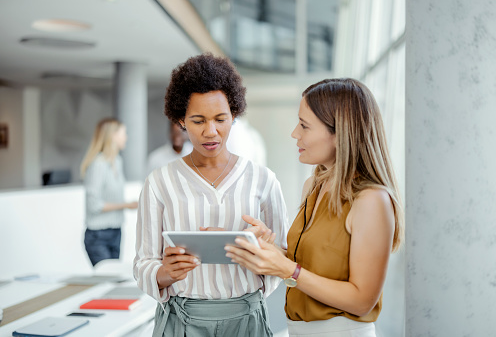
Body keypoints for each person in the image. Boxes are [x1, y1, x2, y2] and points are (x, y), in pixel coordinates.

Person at [225, 78, 404, 337]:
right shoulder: (314, 185)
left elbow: (362, 300)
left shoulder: (371, 199)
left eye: (304, 126)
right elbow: (311, 267)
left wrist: (287, 269)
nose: (295, 133)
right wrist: (269, 250)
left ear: (340, 133)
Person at [133, 53, 289, 337]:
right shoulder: (159, 182)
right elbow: (143, 261)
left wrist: (262, 249)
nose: (211, 132)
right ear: (181, 120)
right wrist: (165, 273)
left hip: (247, 320)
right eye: (197, 120)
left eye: (221, 119)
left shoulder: (263, 180)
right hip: (181, 321)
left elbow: (285, 257)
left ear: (234, 115)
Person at [80, 118, 138, 267]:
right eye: (123, 133)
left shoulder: (117, 161)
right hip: (98, 236)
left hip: (116, 231)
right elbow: (94, 205)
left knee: (114, 281)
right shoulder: (98, 164)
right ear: (113, 136)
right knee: (107, 279)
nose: (126, 137)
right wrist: (126, 205)